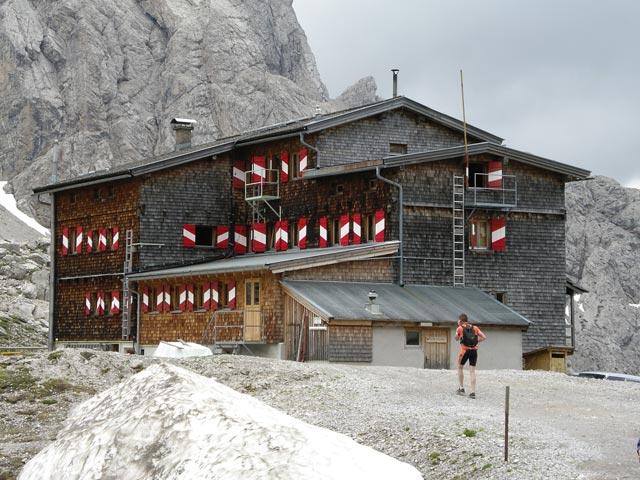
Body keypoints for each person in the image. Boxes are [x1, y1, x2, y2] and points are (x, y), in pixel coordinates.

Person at [454, 313, 486, 399]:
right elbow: (484, 337)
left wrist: (458, 332)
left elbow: (456, 338)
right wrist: (476, 342)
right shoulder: (475, 328)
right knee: (472, 371)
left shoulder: (459, 328)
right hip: (474, 351)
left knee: (460, 367)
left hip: (465, 351)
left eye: (458, 320)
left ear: (461, 321)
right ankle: (472, 392)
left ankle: (461, 388)